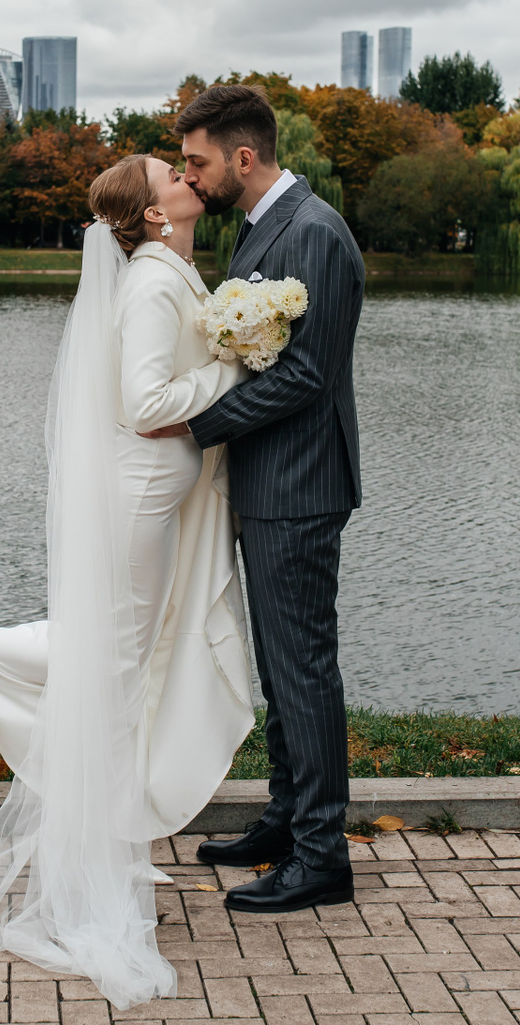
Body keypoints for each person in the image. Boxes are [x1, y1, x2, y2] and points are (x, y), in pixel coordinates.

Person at [0, 154, 254, 1008]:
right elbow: (147, 404)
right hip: (142, 500)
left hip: (157, 500)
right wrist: (237, 368)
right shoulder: (153, 283)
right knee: (112, 668)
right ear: (154, 214)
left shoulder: (169, 269)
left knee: (120, 662)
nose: (187, 177)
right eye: (171, 174)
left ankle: (106, 845)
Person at [145, 84, 365, 915]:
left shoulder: (314, 233)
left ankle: (321, 856)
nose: (190, 176)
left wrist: (196, 422)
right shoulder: (262, 226)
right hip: (268, 479)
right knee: (281, 664)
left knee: (303, 667)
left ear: (244, 157)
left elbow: (307, 376)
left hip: (300, 485)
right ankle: (286, 818)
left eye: (197, 161)